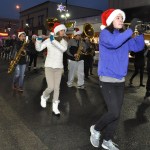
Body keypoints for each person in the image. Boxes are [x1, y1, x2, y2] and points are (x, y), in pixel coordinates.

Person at [90, 9, 145, 150]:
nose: (121, 20)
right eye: (118, 17)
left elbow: (138, 47)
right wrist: (131, 29)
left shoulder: (124, 36)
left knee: (116, 114)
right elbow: (114, 43)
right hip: (107, 79)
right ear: (110, 21)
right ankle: (96, 129)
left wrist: (140, 33)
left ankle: (107, 140)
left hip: (120, 80)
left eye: (122, 18)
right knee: (113, 112)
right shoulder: (105, 34)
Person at [36, 22, 67, 115]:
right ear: (57, 31)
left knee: (57, 88)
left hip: (59, 67)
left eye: (64, 30)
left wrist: (53, 40)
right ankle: (44, 96)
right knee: (51, 87)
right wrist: (38, 39)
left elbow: (63, 49)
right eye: (61, 30)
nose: (63, 32)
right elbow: (39, 48)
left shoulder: (63, 41)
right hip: (49, 66)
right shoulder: (49, 40)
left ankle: (55, 107)